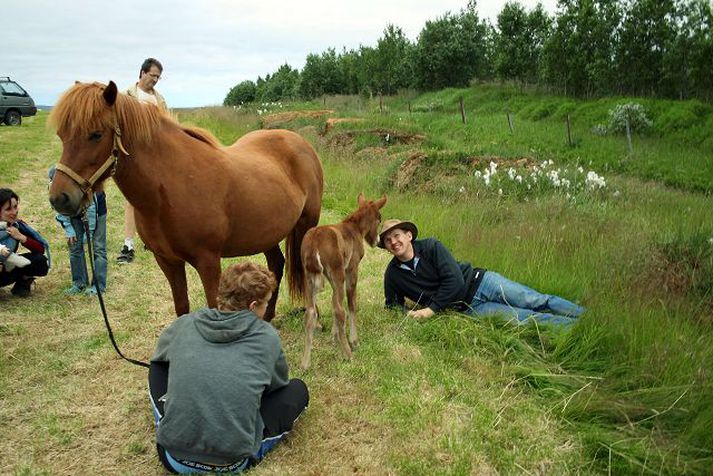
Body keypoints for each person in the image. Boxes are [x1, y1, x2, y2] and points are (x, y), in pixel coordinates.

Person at [149, 262, 309, 473]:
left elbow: (161, 357)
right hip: (233, 462)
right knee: (297, 389)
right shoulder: (267, 337)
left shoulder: (186, 323)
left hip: (172, 456)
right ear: (253, 306)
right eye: (266, 304)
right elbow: (276, 386)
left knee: (158, 365)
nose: (267, 309)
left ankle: (170, 417)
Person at [379, 219, 584, 326]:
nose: (394, 242)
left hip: (482, 282)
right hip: (469, 309)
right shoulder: (393, 275)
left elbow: (455, 281)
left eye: (396, 236)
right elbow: (392, 306)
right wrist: (408, 314)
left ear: (408, 235)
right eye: (388, 240)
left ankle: (584, 317)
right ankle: (575, 329)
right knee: (527, 319)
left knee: (536, 300)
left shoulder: (431, 246)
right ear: (386, 248)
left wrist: (430, 310)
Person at [117, 57, 168, 264]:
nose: (155, 80)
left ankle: (153, 238)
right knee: (132, 199)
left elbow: (166, 127)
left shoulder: (160, 99)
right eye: (152, 75)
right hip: (134, 155)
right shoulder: (126, 95)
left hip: (155, 155)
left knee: (157, 198)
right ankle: (128, 244)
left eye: (158, 77)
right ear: (142, 73)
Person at [48, 166, 108, 295]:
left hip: (96, 211)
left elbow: (92, 212)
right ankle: (79, 283)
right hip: (73, 212)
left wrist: (89, 234)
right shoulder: (55, 188)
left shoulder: (85, 184)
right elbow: (60, 211)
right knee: (74, 245)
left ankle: (98, 286)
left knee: (98, 248)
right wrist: (70, 230)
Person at [0, 188, 51, 297]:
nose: (14, 212)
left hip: (6, 269)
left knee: (39, 261)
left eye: (15, 207)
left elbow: (40, 249)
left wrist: (21, 237)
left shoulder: (17, 226)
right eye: (8, 209)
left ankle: (23, 283)